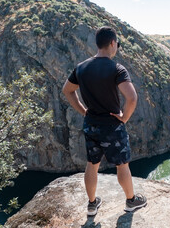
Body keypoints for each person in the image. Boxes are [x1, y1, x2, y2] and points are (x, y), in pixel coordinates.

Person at [62, 26, 147, 216]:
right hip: (112, 126)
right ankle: (131, 201)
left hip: (91, 124)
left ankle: (92, 205)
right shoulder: (117, 69)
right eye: (117, 43)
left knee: (92, 164)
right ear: (112, 43)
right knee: (122, 164)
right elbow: (132, 98)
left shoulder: (81, 68)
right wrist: (124, 117)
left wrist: (83, 111)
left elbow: (67, 90)